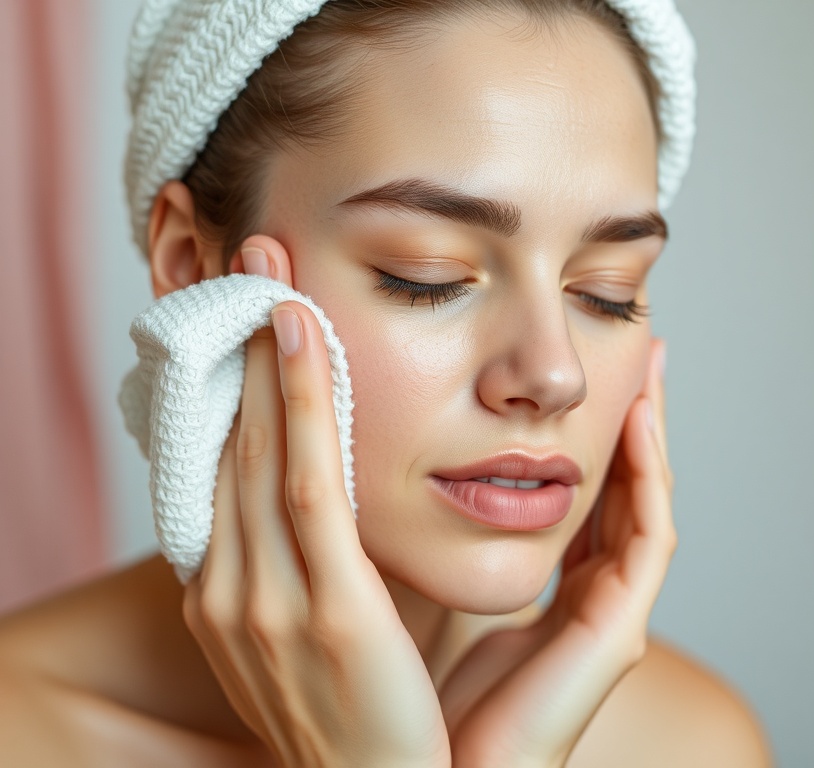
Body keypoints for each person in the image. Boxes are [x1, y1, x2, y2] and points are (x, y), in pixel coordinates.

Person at [0, 1, 771, 764]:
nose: (555, 374)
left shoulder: (696, 744)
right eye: (426, 277)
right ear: (189, 268)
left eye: (609, 290)